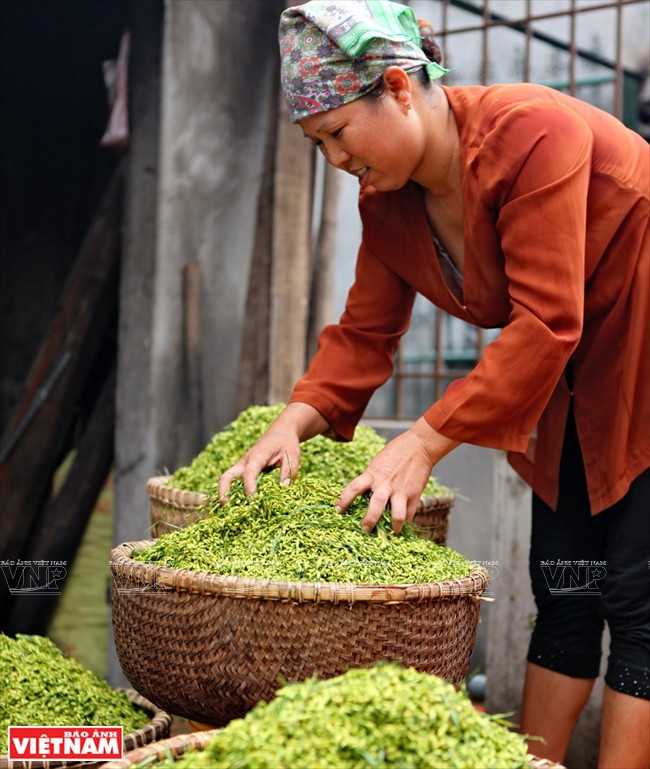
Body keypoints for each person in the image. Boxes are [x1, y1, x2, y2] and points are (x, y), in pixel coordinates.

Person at [218, 1, 650, 765]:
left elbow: (547, 319)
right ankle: (536, 763)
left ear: (398, 87)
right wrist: (292, 420)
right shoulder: (387, 203)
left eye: (339, 134)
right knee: (564, 585)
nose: (336, 160)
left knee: (639, 598)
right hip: (573, 370)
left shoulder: (530, 132)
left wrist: (422, 442)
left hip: (639, 337)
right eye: (317, 145)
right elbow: (363, 333)